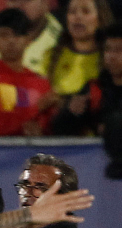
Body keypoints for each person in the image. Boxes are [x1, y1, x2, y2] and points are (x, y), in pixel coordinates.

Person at [47, 0, 115, 134]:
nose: (78, 17)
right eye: (72, 12)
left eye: (86, 11)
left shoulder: (110, 58)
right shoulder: (50, 56)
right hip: (59, 135)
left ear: (100, 18)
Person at [100, 25, 122, 176]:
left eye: (119, 50)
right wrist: (72, 113)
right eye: (108, 50)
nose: (112, 56)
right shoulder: (94, 89)